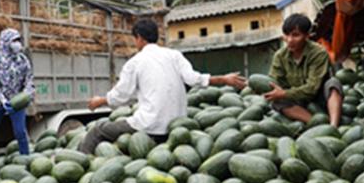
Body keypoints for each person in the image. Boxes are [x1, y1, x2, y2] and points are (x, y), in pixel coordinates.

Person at [80, 18, 246, 154]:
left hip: (148, 126)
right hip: (177, 126)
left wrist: (99, 101)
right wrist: (224, 79)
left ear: (138, 38)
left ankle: (83, 162)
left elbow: (120, 96)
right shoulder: (174, 55)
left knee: (98, 131)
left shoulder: (135, 62)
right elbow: (194, 79)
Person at [265, 13, 344, 127]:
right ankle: (316, 124)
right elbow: (274, 82)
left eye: (295, 35)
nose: (290, 40)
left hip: (319, 98)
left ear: (307, 36)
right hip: (297, 102)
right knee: (277, 101)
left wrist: (284, 93)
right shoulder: (280, 56)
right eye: (286, 35)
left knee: (333, 84)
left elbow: (312, 88)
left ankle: (333, 126)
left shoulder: (318, 53)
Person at [0, 28, 34, 166]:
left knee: (20, 133)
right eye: (14, 40)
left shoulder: (23, 60)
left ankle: (26, 162)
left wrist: (26, 95)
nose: (18, 43)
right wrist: (2, 100)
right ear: (5, 42)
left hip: (16, 102)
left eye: (18, 40)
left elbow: (29, 81)